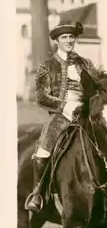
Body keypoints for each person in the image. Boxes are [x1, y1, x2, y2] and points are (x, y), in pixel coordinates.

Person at [25, 20, 100, 213]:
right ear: (57, 41)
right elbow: (41, 96)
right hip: (61, 116)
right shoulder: (47, 65)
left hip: (87, 114)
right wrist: (65, 106)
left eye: (71, 37)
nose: (69, 40)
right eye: (64, 37)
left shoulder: (86, 63)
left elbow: (95, 89)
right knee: (44, 149)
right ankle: (38, 192)